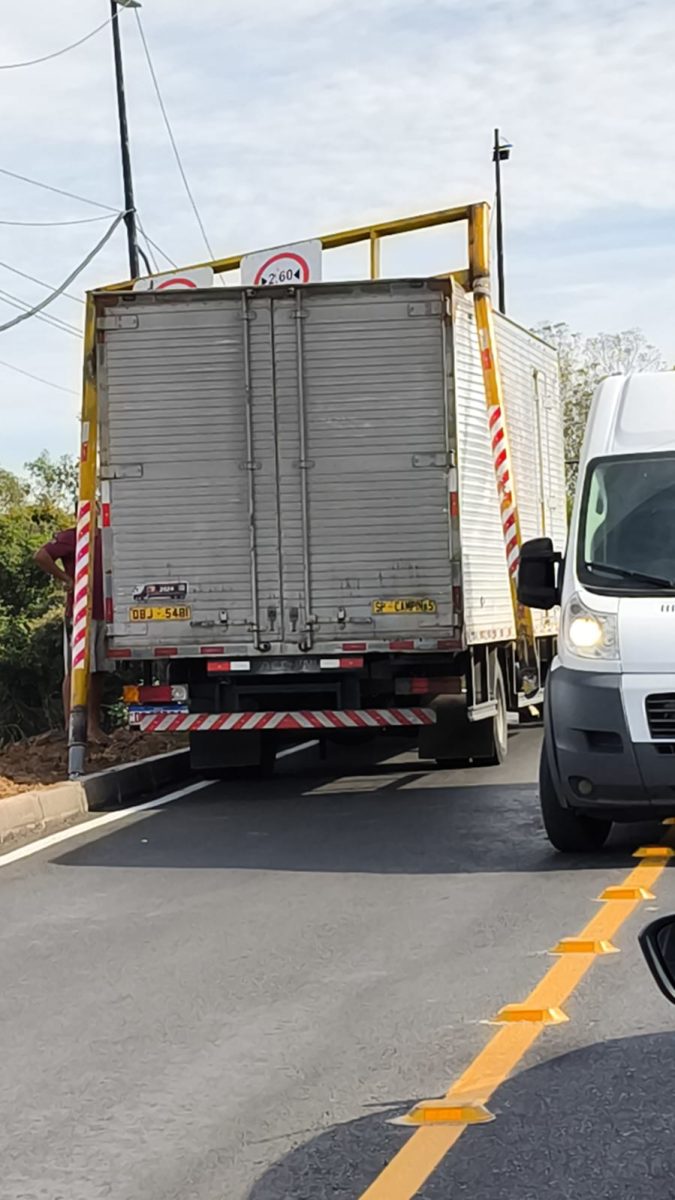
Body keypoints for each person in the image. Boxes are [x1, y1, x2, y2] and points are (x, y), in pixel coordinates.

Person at [34, 517, 109, 742]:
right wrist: (67, 579)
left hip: (106, 612)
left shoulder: (108, 536)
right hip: (80, 613)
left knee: (99, 671)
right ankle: (73, 728)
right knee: (75, 670)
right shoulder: (72, 536)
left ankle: (92, 727)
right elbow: (41, 556)